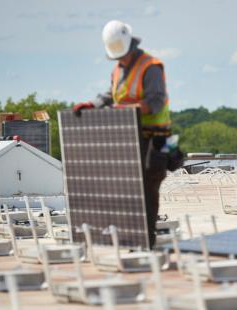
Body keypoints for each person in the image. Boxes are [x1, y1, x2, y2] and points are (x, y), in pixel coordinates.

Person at [73, 20, 172, 249]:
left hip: (156, 139)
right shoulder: (118, 69)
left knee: (148, 189)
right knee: (128, 190)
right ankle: (132, 239)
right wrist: (92, 104)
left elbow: (155, 103)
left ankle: (146, 242)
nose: (121, 60)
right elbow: (110, 95)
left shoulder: (151, 66)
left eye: (123, 55)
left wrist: (128, 110)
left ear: (131, 47)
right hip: (129, 138)